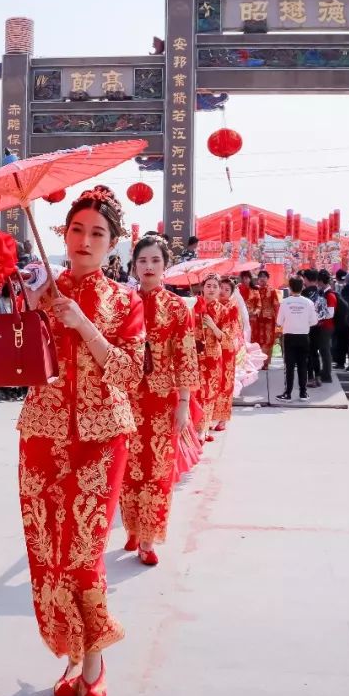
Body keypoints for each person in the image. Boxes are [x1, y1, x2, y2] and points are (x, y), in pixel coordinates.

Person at [17, 186, 144, 696]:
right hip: (42, 435)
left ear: (113, 245)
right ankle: (71, 654)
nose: (85, 240)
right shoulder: (40, 290)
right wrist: (25, 312)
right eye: (77, 230)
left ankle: (94, 658)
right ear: (63, 236)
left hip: (100, 439)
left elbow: (131, 373)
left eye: (98, 233)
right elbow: (17, 364)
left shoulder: (125, 300)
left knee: (84, 552)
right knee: (48, 553)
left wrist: (84, 324)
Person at [120, 234, 199, 568]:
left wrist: (183, 402)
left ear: (165, 266)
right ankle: (133, 527)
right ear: (134, 266)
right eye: (142, 261)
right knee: (127, 467)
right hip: (126, 397)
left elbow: (185, 357)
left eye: (155, 261)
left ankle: (149, 537)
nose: (149, 267)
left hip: (162, 398)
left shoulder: (177, 308)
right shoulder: (122, 303)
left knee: (157, 469)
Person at [194, 274, 227, 442]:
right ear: (202, 288)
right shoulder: (194, 306)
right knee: (196, 392)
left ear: (219, 289)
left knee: (209, 393)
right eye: (208, 286)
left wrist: (212, 326)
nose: (211, 289)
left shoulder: (223, 311)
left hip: (213, 357)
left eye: (215, 286)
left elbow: (227, 338)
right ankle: (195, 428)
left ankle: (204, 429)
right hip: (195, 357)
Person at [276, 276, 317, 401]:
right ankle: (303, 393)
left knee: (289, 366)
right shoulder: (308, 302)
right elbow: (314, 321)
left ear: (290, 288)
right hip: (304, 336)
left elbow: (279, 321)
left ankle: (288, 393)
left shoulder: (285, 302)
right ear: (302, 287)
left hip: (289, 336)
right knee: (302, 365)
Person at [213, 278, 243, 431]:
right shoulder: (211, 304)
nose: (223, 291)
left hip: (226, 349)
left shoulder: (232, 307)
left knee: (225, 383)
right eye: (221, 288)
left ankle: (223, 418)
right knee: (212, 383)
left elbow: (229, 333)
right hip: (211, 349)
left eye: (227, 289)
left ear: (231, 293)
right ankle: (209, 416)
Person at [250, 270, 279, 369]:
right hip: (257, 319)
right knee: (258, 340)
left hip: (269, 319)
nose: (262, 278)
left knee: (268, 339)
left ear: (267, 279)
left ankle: (265, 362)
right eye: (260, 277)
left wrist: (278, 319)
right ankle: (258, 362)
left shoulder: (272, 290)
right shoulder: (254, 290)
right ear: (258, 279)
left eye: (264, 277)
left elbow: (276, 305)